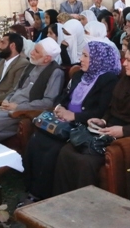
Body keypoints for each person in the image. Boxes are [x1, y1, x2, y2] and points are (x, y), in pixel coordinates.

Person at [53, 39, 130, 195]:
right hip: (106, 131)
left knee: (85, 162)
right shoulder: (126, 81)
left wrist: (123, 130)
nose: (124, 64)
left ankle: (85, 204)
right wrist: (103, 120)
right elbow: (113, 107)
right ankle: (62, 201)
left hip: (128, 135)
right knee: (67, 151)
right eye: (125, 59)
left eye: (129, 60)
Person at [22, 41, 122, 202]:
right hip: (63, 120)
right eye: (82, 55)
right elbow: (63, 97)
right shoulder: (79, 75)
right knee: (36, 140)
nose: (81, 59)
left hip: (82, 126)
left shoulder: (108, 80)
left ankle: (44, 194)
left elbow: (101, 111)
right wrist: (59, 108)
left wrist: (74, 116)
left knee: (53, 148)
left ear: (98, 59)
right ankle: (31, 188)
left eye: (86, 56)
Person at [0, 39, 65, 141]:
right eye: (34, 49)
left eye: (36, 51)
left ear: (47, 58)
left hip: (20, 113)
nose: (31, 52)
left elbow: (47, 102)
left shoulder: (55, 72)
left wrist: (18, 107)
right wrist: (6, 100)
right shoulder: (32, 65)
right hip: (6, 108)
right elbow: (16, 89)